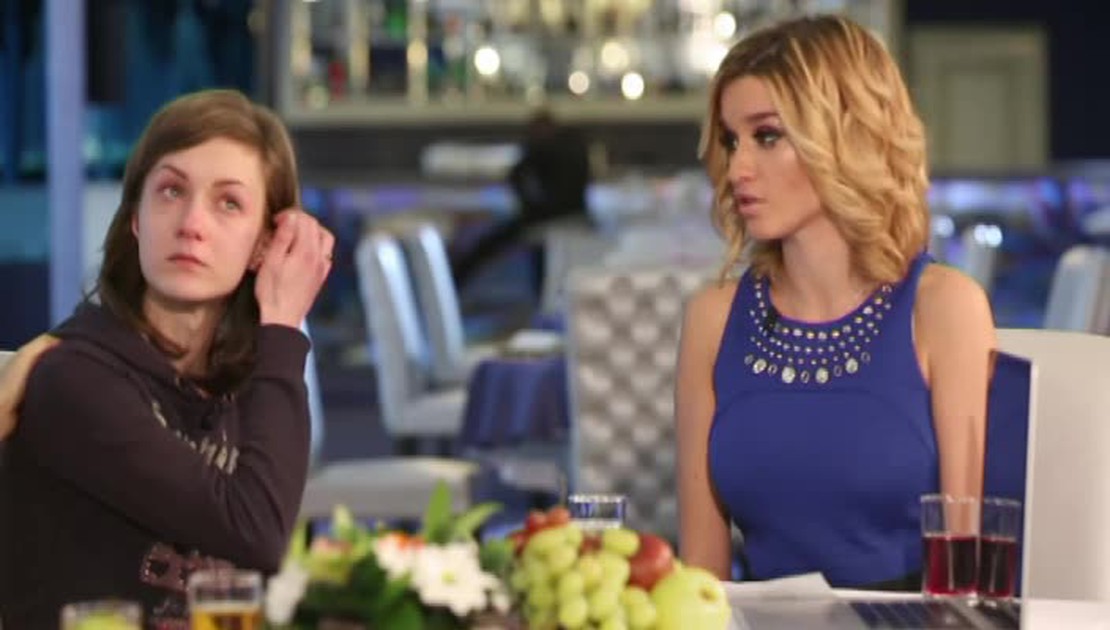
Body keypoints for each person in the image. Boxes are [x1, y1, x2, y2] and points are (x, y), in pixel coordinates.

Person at [675, 15, 996, 590]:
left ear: (844, 137)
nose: (738, 168)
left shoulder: (944, 309)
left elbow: (965, 578)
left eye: (767, 136)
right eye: (730, 140)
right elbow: (702, 580)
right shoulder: (713, 319)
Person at [0, 89, 334, 628]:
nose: (191, 223)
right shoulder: (75, 379)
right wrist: (283, 324)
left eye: (228, 203)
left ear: (264, 246)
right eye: (171, 191)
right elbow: (257, 533)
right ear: (136, 218)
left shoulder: (240, 382)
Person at [451, 108, 592, 293]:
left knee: (489, 246)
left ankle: (453, 283)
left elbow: (517, 175)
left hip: (549, 217)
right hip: (569, 215)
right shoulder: (571, 147)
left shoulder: (544, 149)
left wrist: (529, 205)